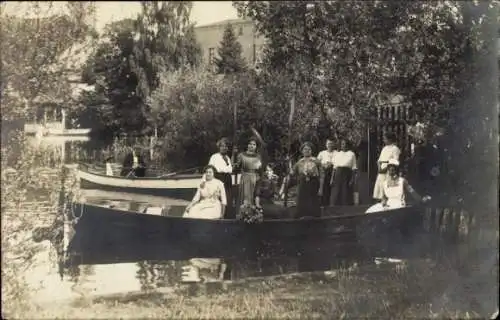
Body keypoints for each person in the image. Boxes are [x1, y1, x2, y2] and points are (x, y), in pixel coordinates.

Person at [366, 159, 430, 213]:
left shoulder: (402, 181)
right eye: (389, 170)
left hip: (399, 206)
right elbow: (384, 197)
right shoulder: (385, 183)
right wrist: (384, 203)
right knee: (372, 211)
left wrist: (421, 199)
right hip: (388, 205)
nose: (391, 172)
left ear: (396, 171)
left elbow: (412, 192)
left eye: (393, 170)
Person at [286, 142, 324, 218]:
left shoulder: (316, 161)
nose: (307, 151)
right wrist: (288, 164)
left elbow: (322, 175)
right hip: (303, 184)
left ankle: (315, 219)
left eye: (309, 149)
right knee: (301, 202)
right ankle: (301, 218)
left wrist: (321, 188)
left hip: (313, 184)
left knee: (313, 202)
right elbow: (292, 173)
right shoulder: (299, 162)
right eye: (305, 149)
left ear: (311, 151)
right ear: (302, 151)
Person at [208, 137, 234, 218]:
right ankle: (217, 216)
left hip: (228, 179)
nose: (224, 148)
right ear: (219, 147)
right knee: (218, 198)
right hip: (219, 178)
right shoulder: (214, 157)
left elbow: (230, 169)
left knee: (227, 198)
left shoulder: (228, 158)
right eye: (222, 146)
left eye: (226, 146)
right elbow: (210, 169)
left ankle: (226, 216)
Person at [234, 138, 263, 206]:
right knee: (245, 196)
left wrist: (258, 177)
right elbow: (237, 168)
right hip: (244, 177)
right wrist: (235, 156)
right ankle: (242, 212)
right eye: (250, 144)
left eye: (254, 144)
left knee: (254, 196)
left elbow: (259, 169)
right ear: (247, 145)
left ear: (256, 146)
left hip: (254, 178)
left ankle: (252, 213)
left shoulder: (258, 156)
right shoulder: (241, 155)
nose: (251, 146)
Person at [373, 132, 400, 201]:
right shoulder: (384, 148)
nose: (384, 140)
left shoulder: (395, 148)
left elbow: (395, 161)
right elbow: (379, 160)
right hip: (381, 172)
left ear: (390, 139)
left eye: (385, 139)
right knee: (380, 192)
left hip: (389, 171)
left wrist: (386, 169)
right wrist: (380, 168)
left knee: (388, 191)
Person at [330, 139, 358, 206]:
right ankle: (335, 209)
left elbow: (354, 168)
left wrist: (352, 179)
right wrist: (332, 178)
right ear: (340, 145)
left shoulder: (351, 154)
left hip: (347, 174)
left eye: (345, 144)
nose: (344, 145)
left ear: (348, 145)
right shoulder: (337, 154)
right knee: (336, 193)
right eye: (342, 144)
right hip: (338, 174)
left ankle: (345, 209)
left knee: (345, 193)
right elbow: (334, 167)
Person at [317, 138, 337, 206]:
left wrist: (330, 164)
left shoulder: (336, 153)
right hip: (323, 172)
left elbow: (337, 162)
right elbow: (317, 163)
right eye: (328, 144)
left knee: (332, 191)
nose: (330, 145)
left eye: (331, 144)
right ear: (326, 144)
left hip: (333, 172)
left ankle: (331, 206)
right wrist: (323, 165)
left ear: (333, 144)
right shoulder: (322, 153)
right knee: (323, 190)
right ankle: (323, 205)